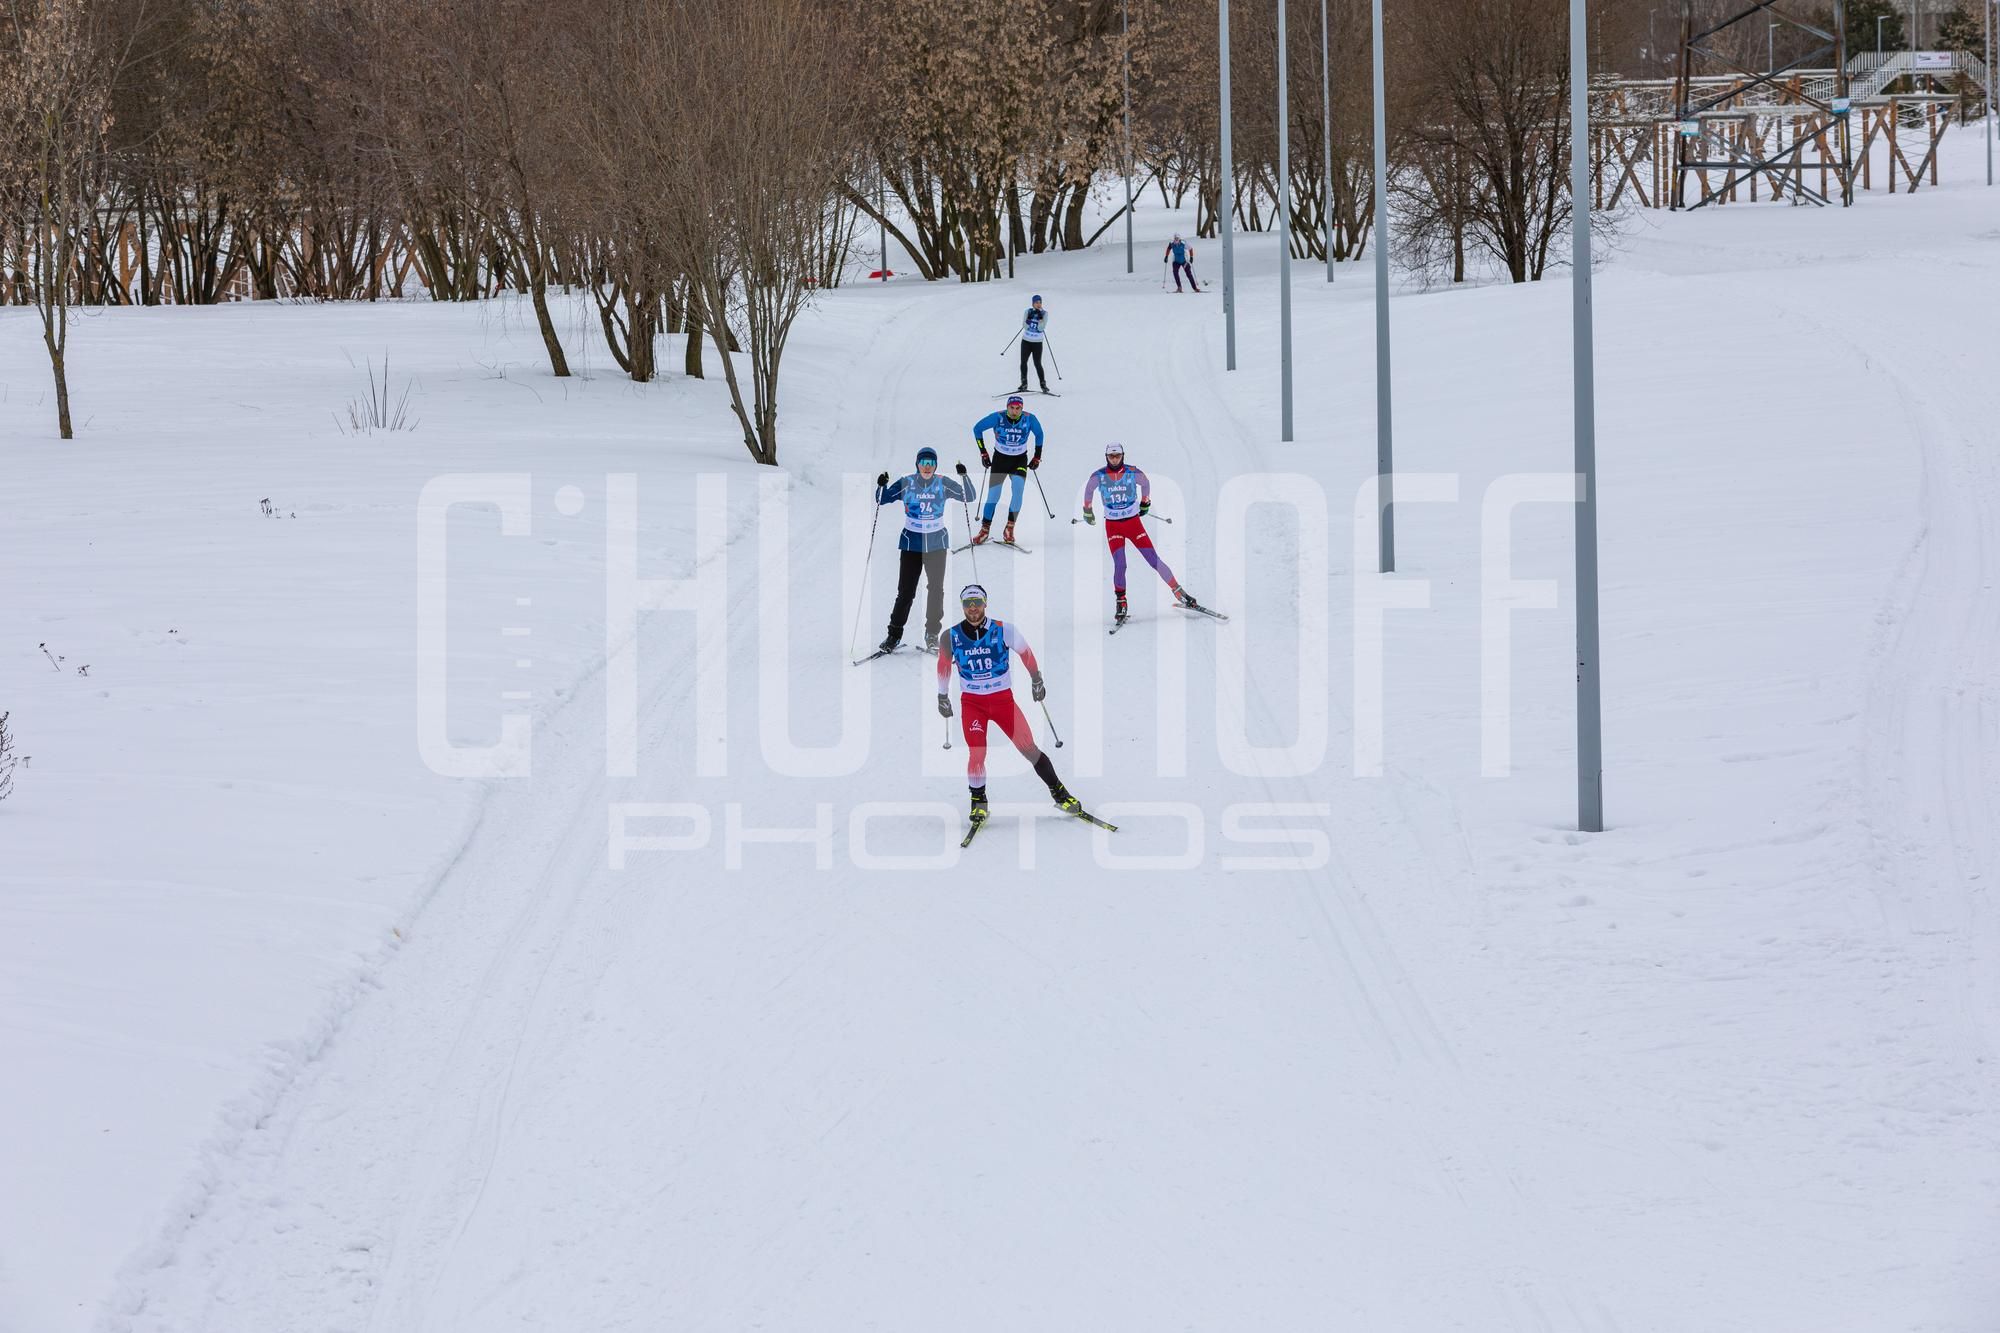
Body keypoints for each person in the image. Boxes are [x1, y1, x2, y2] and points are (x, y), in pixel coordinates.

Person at [936, 583, 1080, 822]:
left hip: (1003, 701)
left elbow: (1026, 652)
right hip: (973, 704)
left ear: (985, 604)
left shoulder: (1003, 630)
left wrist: (1037, 679)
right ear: (962, 606)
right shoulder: (950, 636)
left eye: (977, 603)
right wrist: (942, 696)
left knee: (1029, 749)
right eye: (967, 604)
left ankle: (1060, 793)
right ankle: (978, 802)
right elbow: (943, 666)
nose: (973, 609)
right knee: (977, 753)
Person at [1080, 442, 1198, 623]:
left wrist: (1145, 502)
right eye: (1111, 456)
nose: (1114, 459)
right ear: (1106, 457)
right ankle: (1121, 602)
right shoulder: (1099, 476)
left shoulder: (1132, 472)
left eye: (1117, 456)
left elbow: (1145, 483)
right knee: (1120, 564)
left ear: (1123, 456)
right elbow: (1088, 490)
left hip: (1133, 523)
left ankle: (1178, 591)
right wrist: (1087, 510)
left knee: (1153, 559)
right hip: (1113, 525)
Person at [875, 447, 974, 652]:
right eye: (923, 463)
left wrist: (964, 476)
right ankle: (893, 635)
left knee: (936, 589)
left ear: (936, 465)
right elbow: (881, 499)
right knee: (906, 591)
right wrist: (881, 485)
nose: (927, 467)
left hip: (936, 543)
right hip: (911, 544)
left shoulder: (943, 483)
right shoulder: (907, 483)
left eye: (931, 463)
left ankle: (932, 634)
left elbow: (969, 496)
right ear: (917, 464)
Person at [968, 394, 1045, 546]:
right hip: (1000, 460)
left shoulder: (1029, 418)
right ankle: (984, 529)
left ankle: (1009, 528)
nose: (1015, 411)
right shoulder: (998, 417)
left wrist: (1037, 457)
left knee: (1018, 490)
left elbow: (1039, 434)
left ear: (1022, 408)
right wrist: (983, 452)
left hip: (1019, 460)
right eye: (1012, 408)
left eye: (1018, 408)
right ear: (1007, 407)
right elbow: (977, 429)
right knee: (993, 495)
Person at [1016, 294, 1050, 392]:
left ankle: (1043, 385)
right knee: (1023, 362)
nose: (1038, 304)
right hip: (1026, 341)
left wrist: (1038, 318)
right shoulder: (1028, 312)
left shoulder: (1044, 314)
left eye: (1040, 302)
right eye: (1036, 302)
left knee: (1037, 363)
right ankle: (1024, 383)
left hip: (1037, 343)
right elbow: (1025, 326)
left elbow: (1040, 328)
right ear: (1033, 303)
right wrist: (1032, 319)